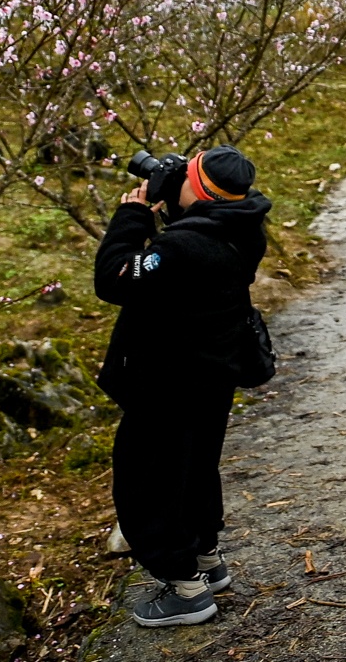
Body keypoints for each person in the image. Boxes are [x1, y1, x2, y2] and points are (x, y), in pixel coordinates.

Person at [94, 144, 269, 628]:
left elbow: (114, 278)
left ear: (198, 187)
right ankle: (207, 561)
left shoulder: (184, 246)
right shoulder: (245, 228)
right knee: (193, 469)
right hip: (210, 377)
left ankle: (184, 588)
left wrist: (132, 216)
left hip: (165, 383)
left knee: (148, 481)